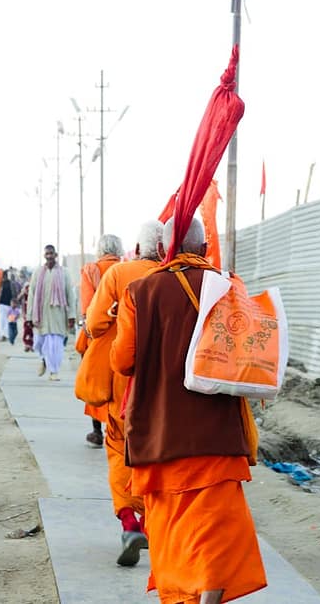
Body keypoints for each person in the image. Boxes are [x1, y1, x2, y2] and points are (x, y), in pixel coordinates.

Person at [111, 218, 267, 603]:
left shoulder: (139, 292)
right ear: (204, 247)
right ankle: (210, 591)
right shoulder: (228, 287)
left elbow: (123, 361)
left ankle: (182, 592)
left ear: (164, 250)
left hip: (161, 430)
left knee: (172, 524)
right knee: (216, 521)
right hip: (217, 428)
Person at [82, 221, 162, 566]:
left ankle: (129, 523)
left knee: (118, 448)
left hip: (122, 378)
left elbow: (95, 323)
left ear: (138, 247)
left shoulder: (117, 274)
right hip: (163, 381)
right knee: (156, 452)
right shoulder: (174, 276)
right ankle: (148, 522)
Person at [77, 234, 124, 447]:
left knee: (96, 383)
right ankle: (115, 430)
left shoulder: (91, 270)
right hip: (125, 333)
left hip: (98, 335)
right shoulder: (127, 269)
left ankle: (97, 431)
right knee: (119, 385)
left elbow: (87, 308)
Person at [26, 244, 76, 380]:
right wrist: (29, 316)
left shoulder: (64, 272)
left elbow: (70, 295)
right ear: (44, 256)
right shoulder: (38, 272)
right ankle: (43, 360)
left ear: (55, 255)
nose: (49, 256)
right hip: (40, 315)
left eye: (51, 254)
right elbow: (31, 294)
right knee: (39, 343)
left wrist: (72, 315)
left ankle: (54, 371)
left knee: (55, 344)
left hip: (58, 315)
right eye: (47, 254)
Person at [0, 268, 15, 341]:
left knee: (5, 320)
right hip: (5, 304)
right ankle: (5, 335)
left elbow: (14, 293)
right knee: (5, 320)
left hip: (6, 304)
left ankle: (5, 335)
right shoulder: (3, 283)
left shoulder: (2, 284)